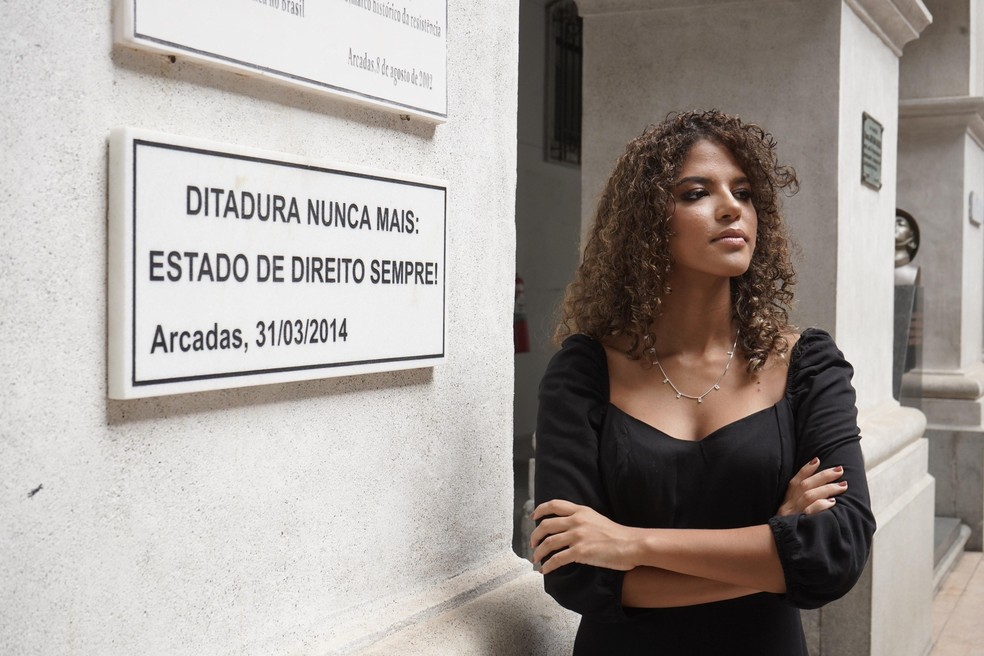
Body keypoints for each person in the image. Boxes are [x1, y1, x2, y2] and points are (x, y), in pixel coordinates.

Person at [530, 110, 875, 655]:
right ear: (647, 223)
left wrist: (631, 543)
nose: (731, 207)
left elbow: (839, 550)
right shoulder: (584, 374)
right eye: (696, 192)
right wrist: (778, 549)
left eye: (743, 191)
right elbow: (572, 574)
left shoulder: (807, 365)